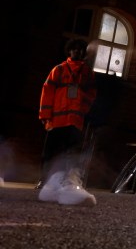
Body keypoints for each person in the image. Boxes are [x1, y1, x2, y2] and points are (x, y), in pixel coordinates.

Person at [37, 38, 97, 206]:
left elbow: (92, 94)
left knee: (70, 153)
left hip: (75, 121)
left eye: (80, 50)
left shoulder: (87, 73)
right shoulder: (59, 69)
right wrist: (45, 114)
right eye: (74, 49)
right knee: (50, 152)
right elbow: (47, 91)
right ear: (69, 51)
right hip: (57, 120)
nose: (77, 52)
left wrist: (83, 109)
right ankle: (45, 181)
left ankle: (65, 180)